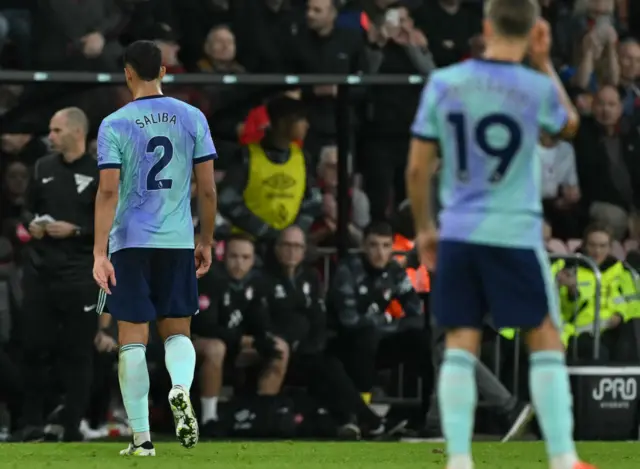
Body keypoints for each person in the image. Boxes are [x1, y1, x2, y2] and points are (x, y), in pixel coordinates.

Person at [405, 0, 592, 468]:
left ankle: (460, 459)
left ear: (486, 25)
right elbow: (569, 124)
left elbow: (416, 168)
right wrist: (545, 61)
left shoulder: (444, 83)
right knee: (544, 337)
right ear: (533, 30)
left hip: (460, 233)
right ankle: (564, 458)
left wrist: (426, 228)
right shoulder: (533, 86)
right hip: (514, 232)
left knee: (460, 343)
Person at [92, 40, 217, 456]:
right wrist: (206, 240)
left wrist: (98, 252)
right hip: (178, 240)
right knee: (177, 331)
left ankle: (142, 440)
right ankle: (180, 388)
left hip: (130, 241)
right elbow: (209, 189)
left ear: (127, 73)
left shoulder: (114, 123)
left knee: (132, 339)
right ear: (164, 70)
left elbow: (108, 190)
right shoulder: (192, 117)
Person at [13, 107, 99, 443]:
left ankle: (71, 424)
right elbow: (26, 208)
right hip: (41, 273)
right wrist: (31, 224)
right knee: (33, 348)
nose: (50, 137)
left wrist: (76, 231)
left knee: (77, 352)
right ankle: (32, 423)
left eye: (56, 130)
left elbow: (117, 224)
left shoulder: (101, 173)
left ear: (77, 132)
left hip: (80, 276)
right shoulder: (42, 167)